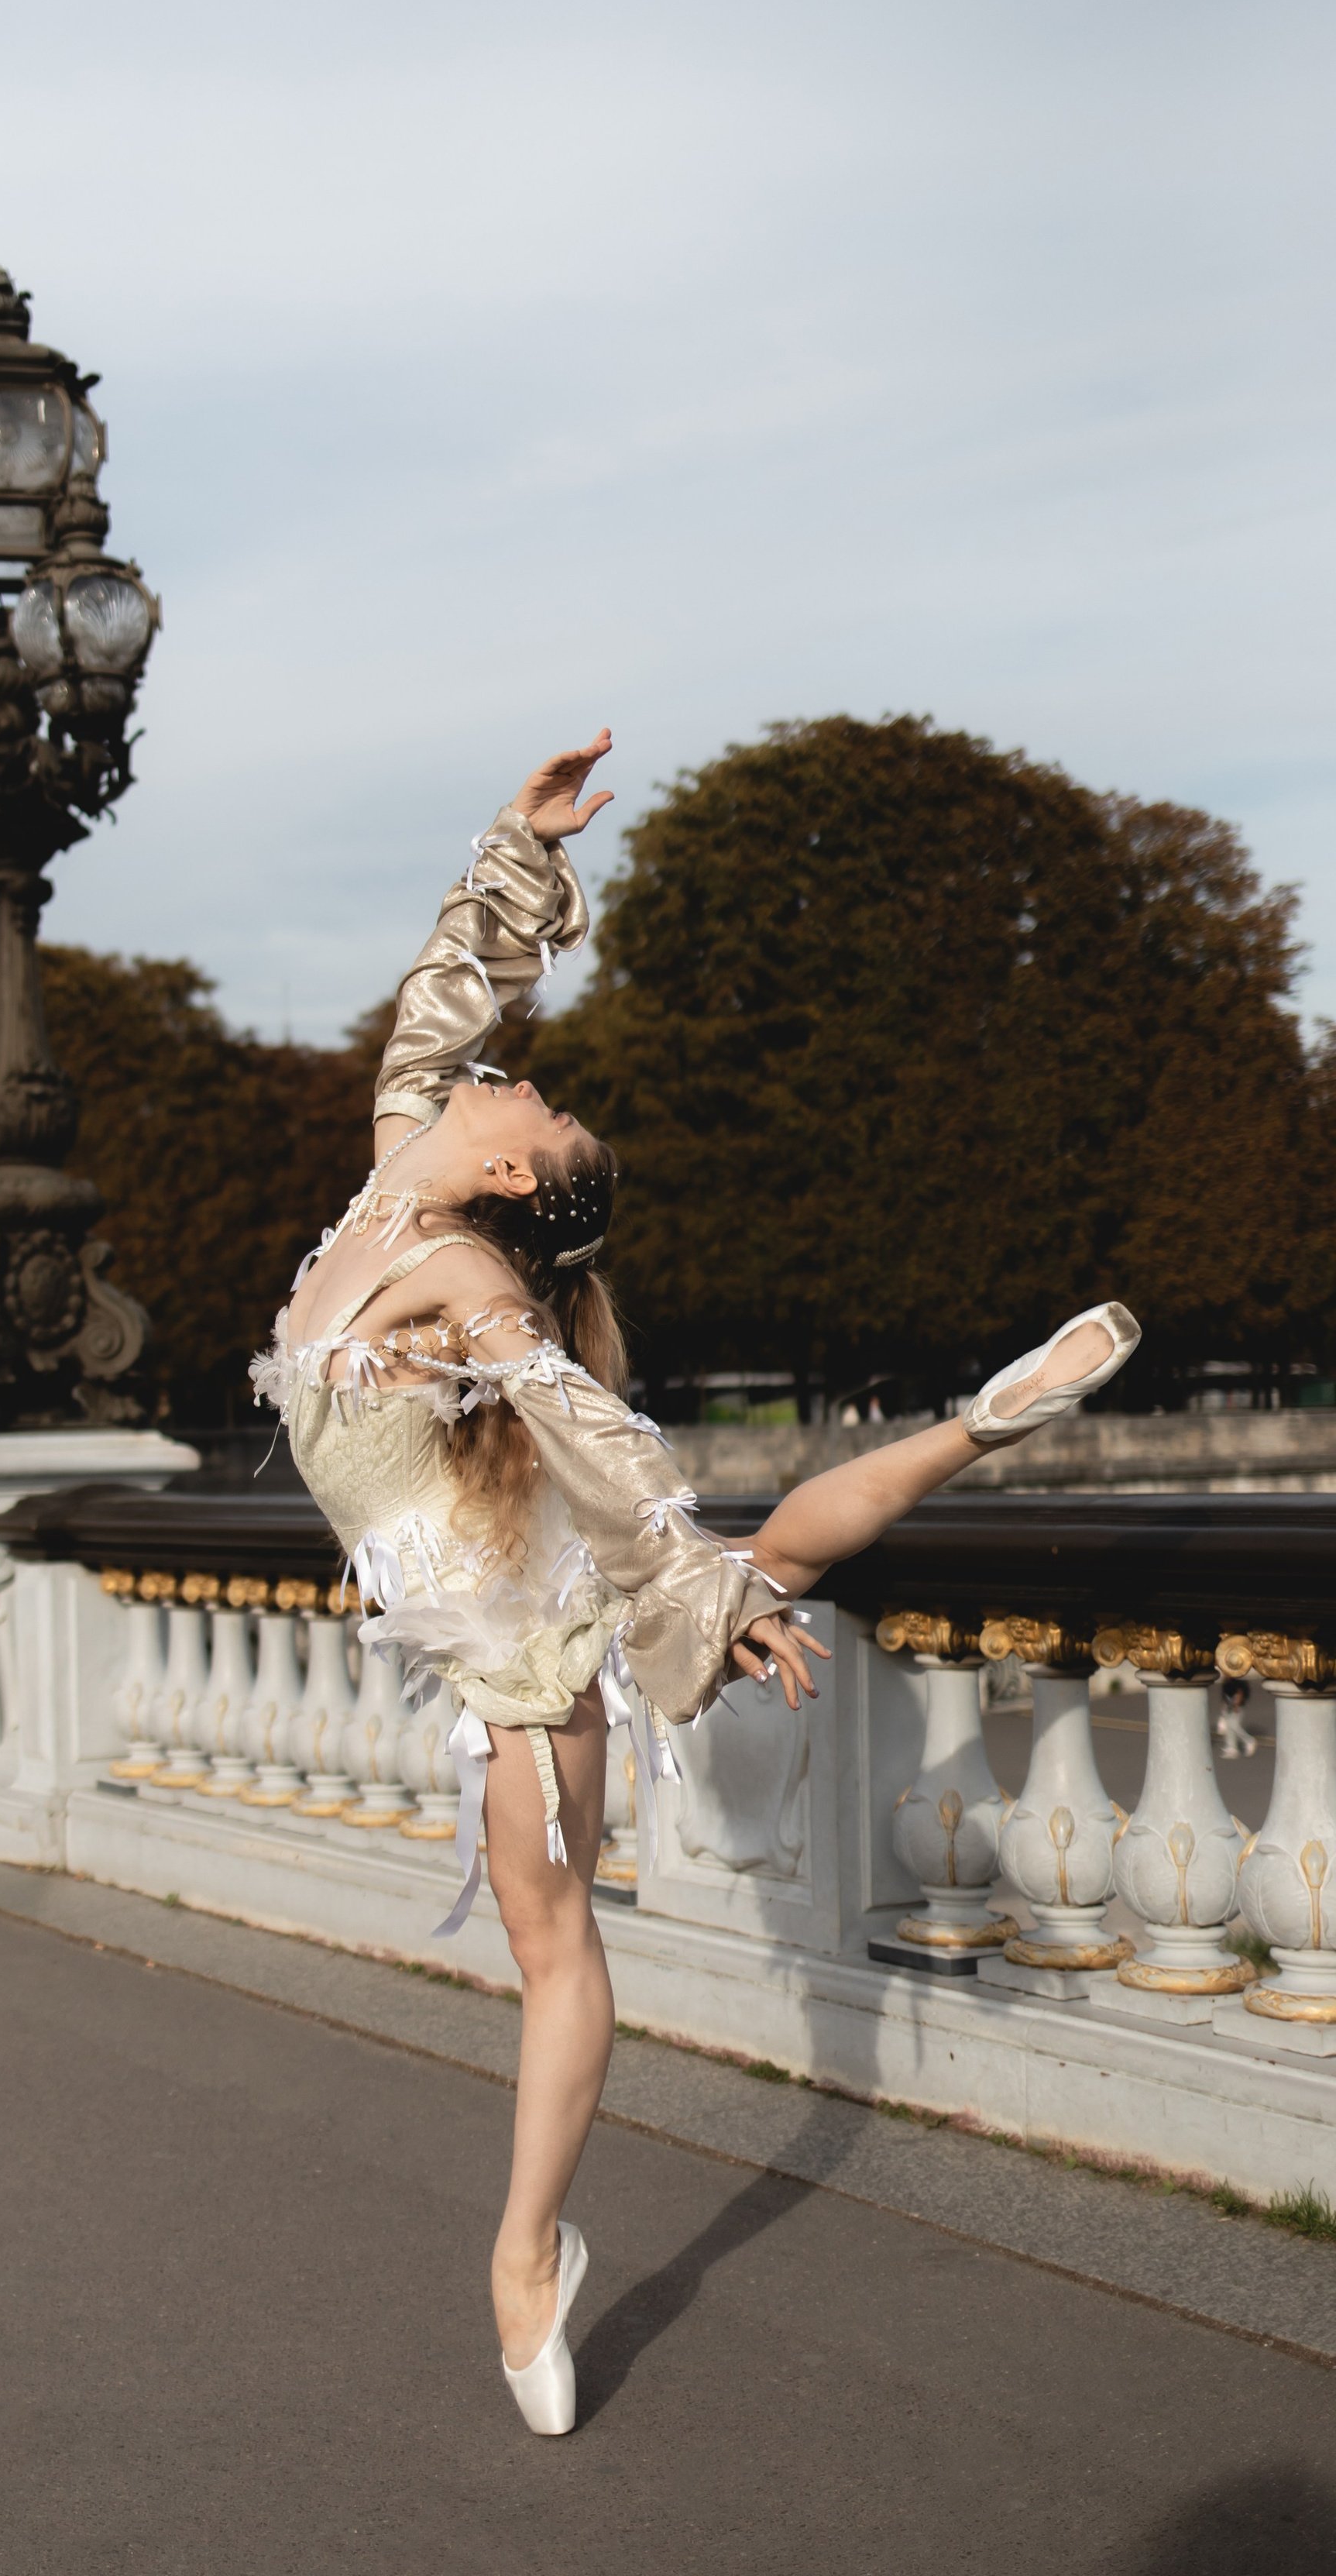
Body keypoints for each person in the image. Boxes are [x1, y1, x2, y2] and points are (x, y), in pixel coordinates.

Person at [252, 731, 1141, 2437]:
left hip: (519, 1651)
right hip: (502, 1575)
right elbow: (442, 1006)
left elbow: (576, 1410)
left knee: (561, 1945)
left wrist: (672, 1569)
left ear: (506, 1176)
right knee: (769, 1566)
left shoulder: (442, 1260)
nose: (510, 1077)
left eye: (530, 1100)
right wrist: (517, 852)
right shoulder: (393, 1165)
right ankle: (976, 1419)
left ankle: (526, 2256)